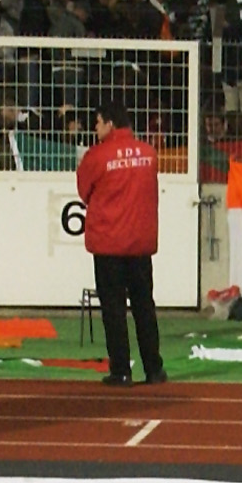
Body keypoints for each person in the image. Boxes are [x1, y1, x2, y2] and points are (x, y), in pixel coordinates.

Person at [77, 103, 165, 387]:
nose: (95, 128)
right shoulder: (148, 154)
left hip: (109, 244)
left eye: (98, 122)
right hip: (140, 243)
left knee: (114, 310)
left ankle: (121, 370)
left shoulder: (97, 156)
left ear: (110, 124)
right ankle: (154, 369)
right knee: (144, 307)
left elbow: (84, 191)